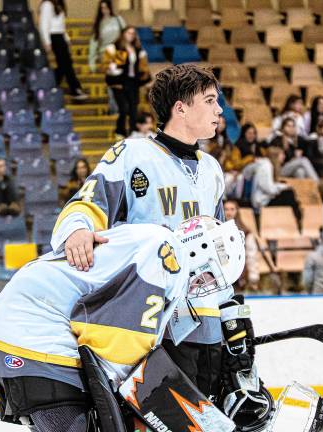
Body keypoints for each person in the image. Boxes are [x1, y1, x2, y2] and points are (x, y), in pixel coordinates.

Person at [51, 64, 248, 399]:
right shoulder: (132, 154)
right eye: (211, 100)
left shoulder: (213, 169)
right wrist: (77, 230)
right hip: (153, 323)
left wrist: (232, 317)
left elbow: (218, 253)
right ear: (181, 108)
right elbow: (88, 202)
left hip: (206, 322)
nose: (219, 110)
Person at [0, 216, 246, 432]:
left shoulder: (152, 243)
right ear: (199, 250)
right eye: (209, 276)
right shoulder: (166, 253)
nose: (204, 286)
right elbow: (118, 341)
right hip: (35, 328)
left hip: (28, 325)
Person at [103, 26, 151, 137]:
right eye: (128, 33)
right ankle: (120, 131)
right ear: (123, 34)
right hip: (119, 82)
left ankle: (132, 133)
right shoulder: (116, 48)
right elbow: (111, 67)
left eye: (133, 33)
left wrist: (144, 77)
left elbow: (142, 67)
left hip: (133, 82)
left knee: (134, 109)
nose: (131, 35)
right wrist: (112, 69)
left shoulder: (138, 49)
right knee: (123, 108)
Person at [38, 0, 88, 99]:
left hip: (60, 35)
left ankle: (51, 85)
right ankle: (75, 88)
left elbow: (61, 25)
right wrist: (47, 41)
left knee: (64, 65)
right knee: (66, 64)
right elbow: (43, 24)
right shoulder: (47, 4)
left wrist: (66, 38)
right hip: (53, 36)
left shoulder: (59, 4)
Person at [250, 146, 302, 221]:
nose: (284, 157)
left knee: (288, 193)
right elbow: (269, 189)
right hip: (262, 202)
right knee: (289, 194)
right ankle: (298, 219)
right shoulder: (266, 166)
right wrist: (284, 187)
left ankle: (296, 217)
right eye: (282, 154)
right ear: (275, 156)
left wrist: (283, 186)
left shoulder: (269, 166)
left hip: (267, 198)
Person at [224, 199, 263, 291]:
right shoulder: (216, 230)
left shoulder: (246, 233)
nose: (229, 212)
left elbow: (251, 256)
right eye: (226, 209)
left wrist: (253, 278)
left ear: (237, 211)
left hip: (240, 274)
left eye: (232, 209)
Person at [88, 0, 125, 73]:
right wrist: (91, 61)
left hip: (119, 50)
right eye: (102, 8)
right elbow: (93, 43)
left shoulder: (118, 19)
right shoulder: (99, 23)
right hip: (105, 52)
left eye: (106, 7)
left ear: (110, 8)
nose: (104, 10)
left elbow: (126, 35)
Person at [222, 123, 257, 198]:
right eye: (249, 133)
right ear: (244, 134)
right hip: (232, 170)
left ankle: (240, 200)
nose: (252, 135)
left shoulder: (256, 146)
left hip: (242, 173)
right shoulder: (238, 146)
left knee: (241, 177)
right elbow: (236, 164)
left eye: (254, 133)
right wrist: (250, 158)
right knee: (232, 178)